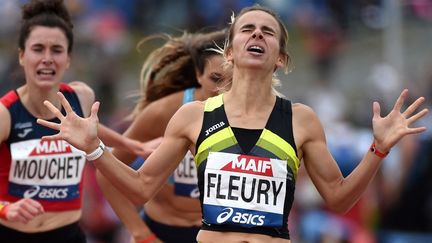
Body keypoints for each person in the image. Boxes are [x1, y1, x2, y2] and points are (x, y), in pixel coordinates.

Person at [37, 4, 429, 243]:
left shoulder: (301, 119)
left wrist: (379, 149)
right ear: (230, 52)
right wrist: (96, 149)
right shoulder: (192, 115)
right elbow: (140, 188)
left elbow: (339, 197)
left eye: (268, 31)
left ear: (280, 58)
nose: (257, 33)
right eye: (247, 28)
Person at [0, 0, 156, 242]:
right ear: (22, 56)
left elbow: (89, 129)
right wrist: (6, 209)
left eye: (57, 50)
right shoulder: (6, 113)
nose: (47, 59)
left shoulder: (81, 96)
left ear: (69, 58)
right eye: (38, 49)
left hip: (70, 233)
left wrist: (133, 146)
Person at [96, 29, 231, 243]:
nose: (224, 90)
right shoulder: (164, 112)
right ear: (198, 74)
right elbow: (106, 172)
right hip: (163, 230)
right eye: (216, 79)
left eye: (232, 81)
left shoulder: (249, 118)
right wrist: (140, 233)